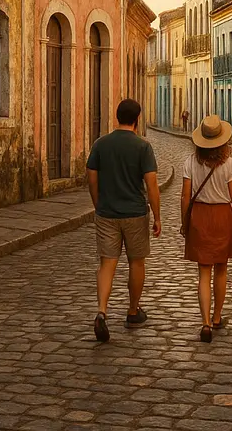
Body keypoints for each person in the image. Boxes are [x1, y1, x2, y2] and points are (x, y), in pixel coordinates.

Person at [86, 98, 162, 343]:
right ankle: (132, 310)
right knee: (136, 263)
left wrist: (98, 204)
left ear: (117, 117)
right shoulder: (143, 147)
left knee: (107, 264)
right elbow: (151, 185)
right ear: (137, 119)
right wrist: (157, 216)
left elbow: (91, 177)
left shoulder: (101, 144)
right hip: (135, 214)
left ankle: (102, 311)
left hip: (107, 213)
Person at [181, 114, 232, 343]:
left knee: (203, 273)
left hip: (199, 216)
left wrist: (184, 222)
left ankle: (205, 323)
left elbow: (184, 196)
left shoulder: (191, 162)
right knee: (221, 269)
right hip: (222, 217)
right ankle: (217, 316)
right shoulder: (230, 165)